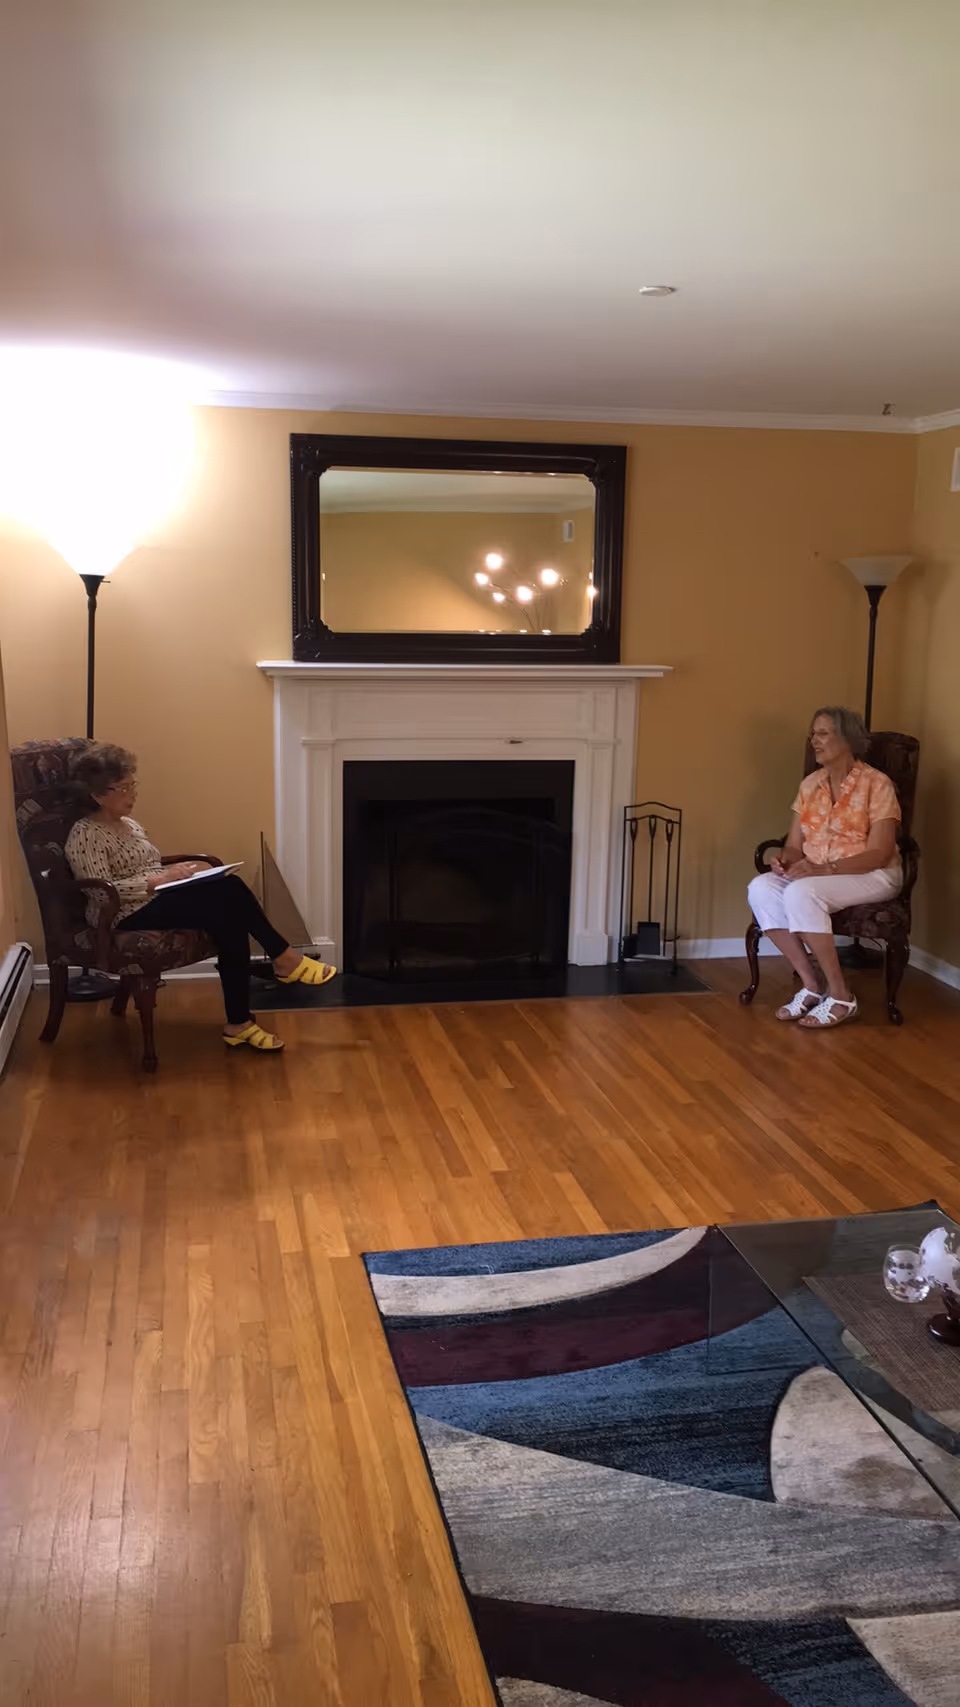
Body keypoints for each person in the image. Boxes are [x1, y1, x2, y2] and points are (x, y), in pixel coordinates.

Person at [64, 742, 336, 1051]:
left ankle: (240, 1023)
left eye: (133, 785)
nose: (133, 794)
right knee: (230, 892)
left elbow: (147, 865)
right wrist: (159, 880)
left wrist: (175, 871)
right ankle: (283, 959)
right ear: (97, 794)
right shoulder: (85, 834)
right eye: (123, 788)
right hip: (122, 912)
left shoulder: (129, 825)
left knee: (229, 918)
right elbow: (98, 890)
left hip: (154, 897)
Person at [746, 706, 902, 1030]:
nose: (813, 741)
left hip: (874, 874)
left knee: (803, 893)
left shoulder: (878, 784)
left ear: (847, 738)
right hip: (818, 875)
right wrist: (783, 861)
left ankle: (843, 996)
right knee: (760, 888)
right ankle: (812, 986)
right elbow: (793, 846)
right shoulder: (809, 786)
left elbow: (880, 853)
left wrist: (822, 870)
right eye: (812, 734)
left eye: (822, 733)